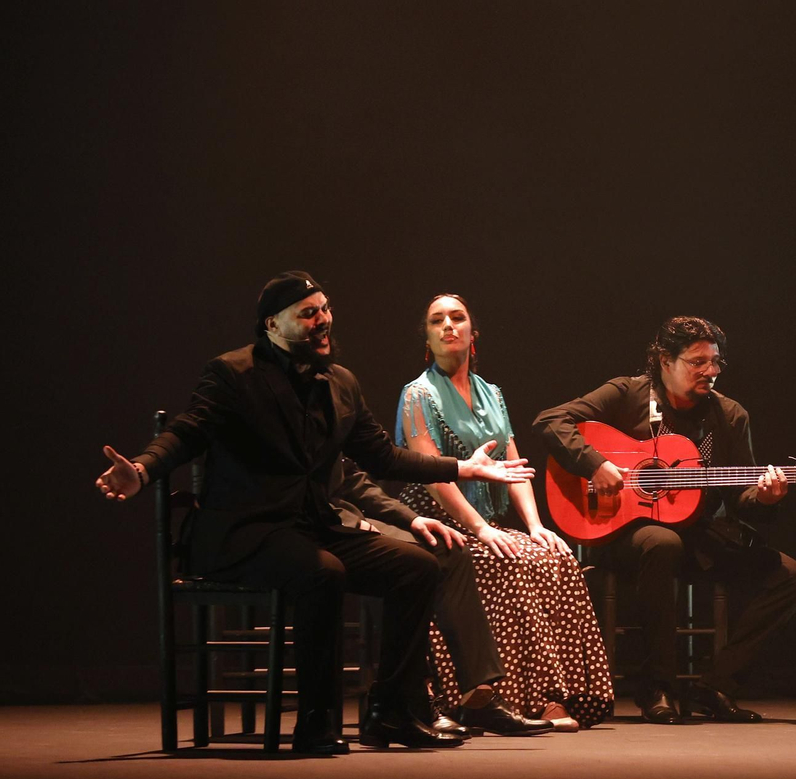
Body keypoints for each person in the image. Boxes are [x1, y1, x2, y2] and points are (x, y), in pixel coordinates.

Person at [94, 271, 533, 753]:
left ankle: (391, 711)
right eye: (308, 314)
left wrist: (463, 468)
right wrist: (142, 470)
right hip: (245, 534)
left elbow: (382, 457)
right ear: (272, 325)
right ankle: (315, 722)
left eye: (324, 309)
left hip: (313, 528)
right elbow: (186, 432)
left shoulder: (339, 382)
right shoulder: (233, 374)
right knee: (323, 572)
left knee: (419, 566)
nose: (322, 320)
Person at [534, 316, 796, 725]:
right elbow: (550, 420)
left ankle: (716, 685)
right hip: (623, 535)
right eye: (698, 362)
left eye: (715, 362)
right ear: (665, 360)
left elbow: (740, 498)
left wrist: (765, 498)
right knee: (662, 542)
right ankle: (657, 687)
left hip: (698, 536)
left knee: (792, 577)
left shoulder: (729, 416)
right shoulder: (627, 393)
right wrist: (595, 464)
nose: (710, 371)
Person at [395, 294, 614, 731]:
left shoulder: (492, 394)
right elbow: (433, 477)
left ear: (473, 334)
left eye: (457, 317)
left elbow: (516, 468)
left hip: (485, 523)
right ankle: (487, 696)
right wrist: (480, 528)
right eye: (437, 321)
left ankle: (551, 695)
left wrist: (535, 525)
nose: (448, 325)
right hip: (436, 519)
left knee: (554, 556)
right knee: (504, 561)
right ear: (427, 339)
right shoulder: (418, 394)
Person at [327, 456, 553, 737]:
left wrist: (412, 518)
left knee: (451, 549)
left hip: (350, 519)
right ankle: (414, 698)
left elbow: (353, 477)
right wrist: (350, 522)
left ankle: (478, 697)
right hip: (314, 525)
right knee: (404, 562)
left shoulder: (339, 426)